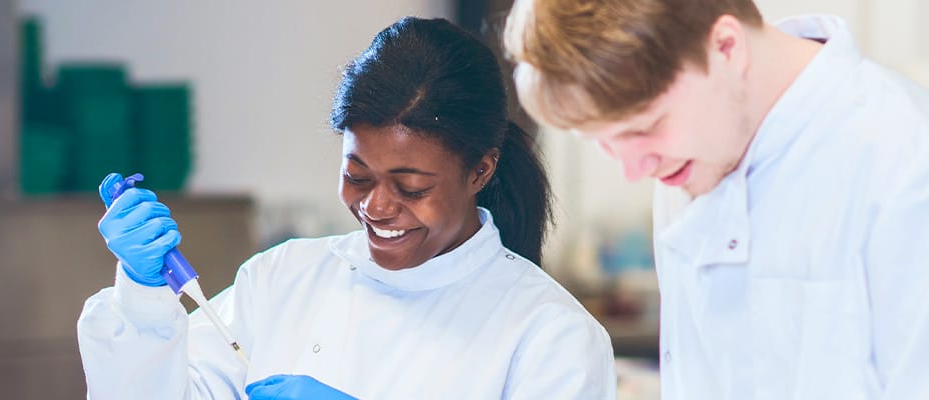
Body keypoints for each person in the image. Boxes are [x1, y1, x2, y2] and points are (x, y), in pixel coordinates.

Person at [77, 17, 615, 400]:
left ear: (480, 171)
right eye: (357, 176)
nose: (376, 206)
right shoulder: (284, 279)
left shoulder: (549, 333)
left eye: (411, 187)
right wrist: (142, 298)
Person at [505, 0, 929, 398]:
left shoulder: (905, 164)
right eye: (604, 141)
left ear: (726, 48)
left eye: (646, 127)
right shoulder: (687, 157)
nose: (634, 170)